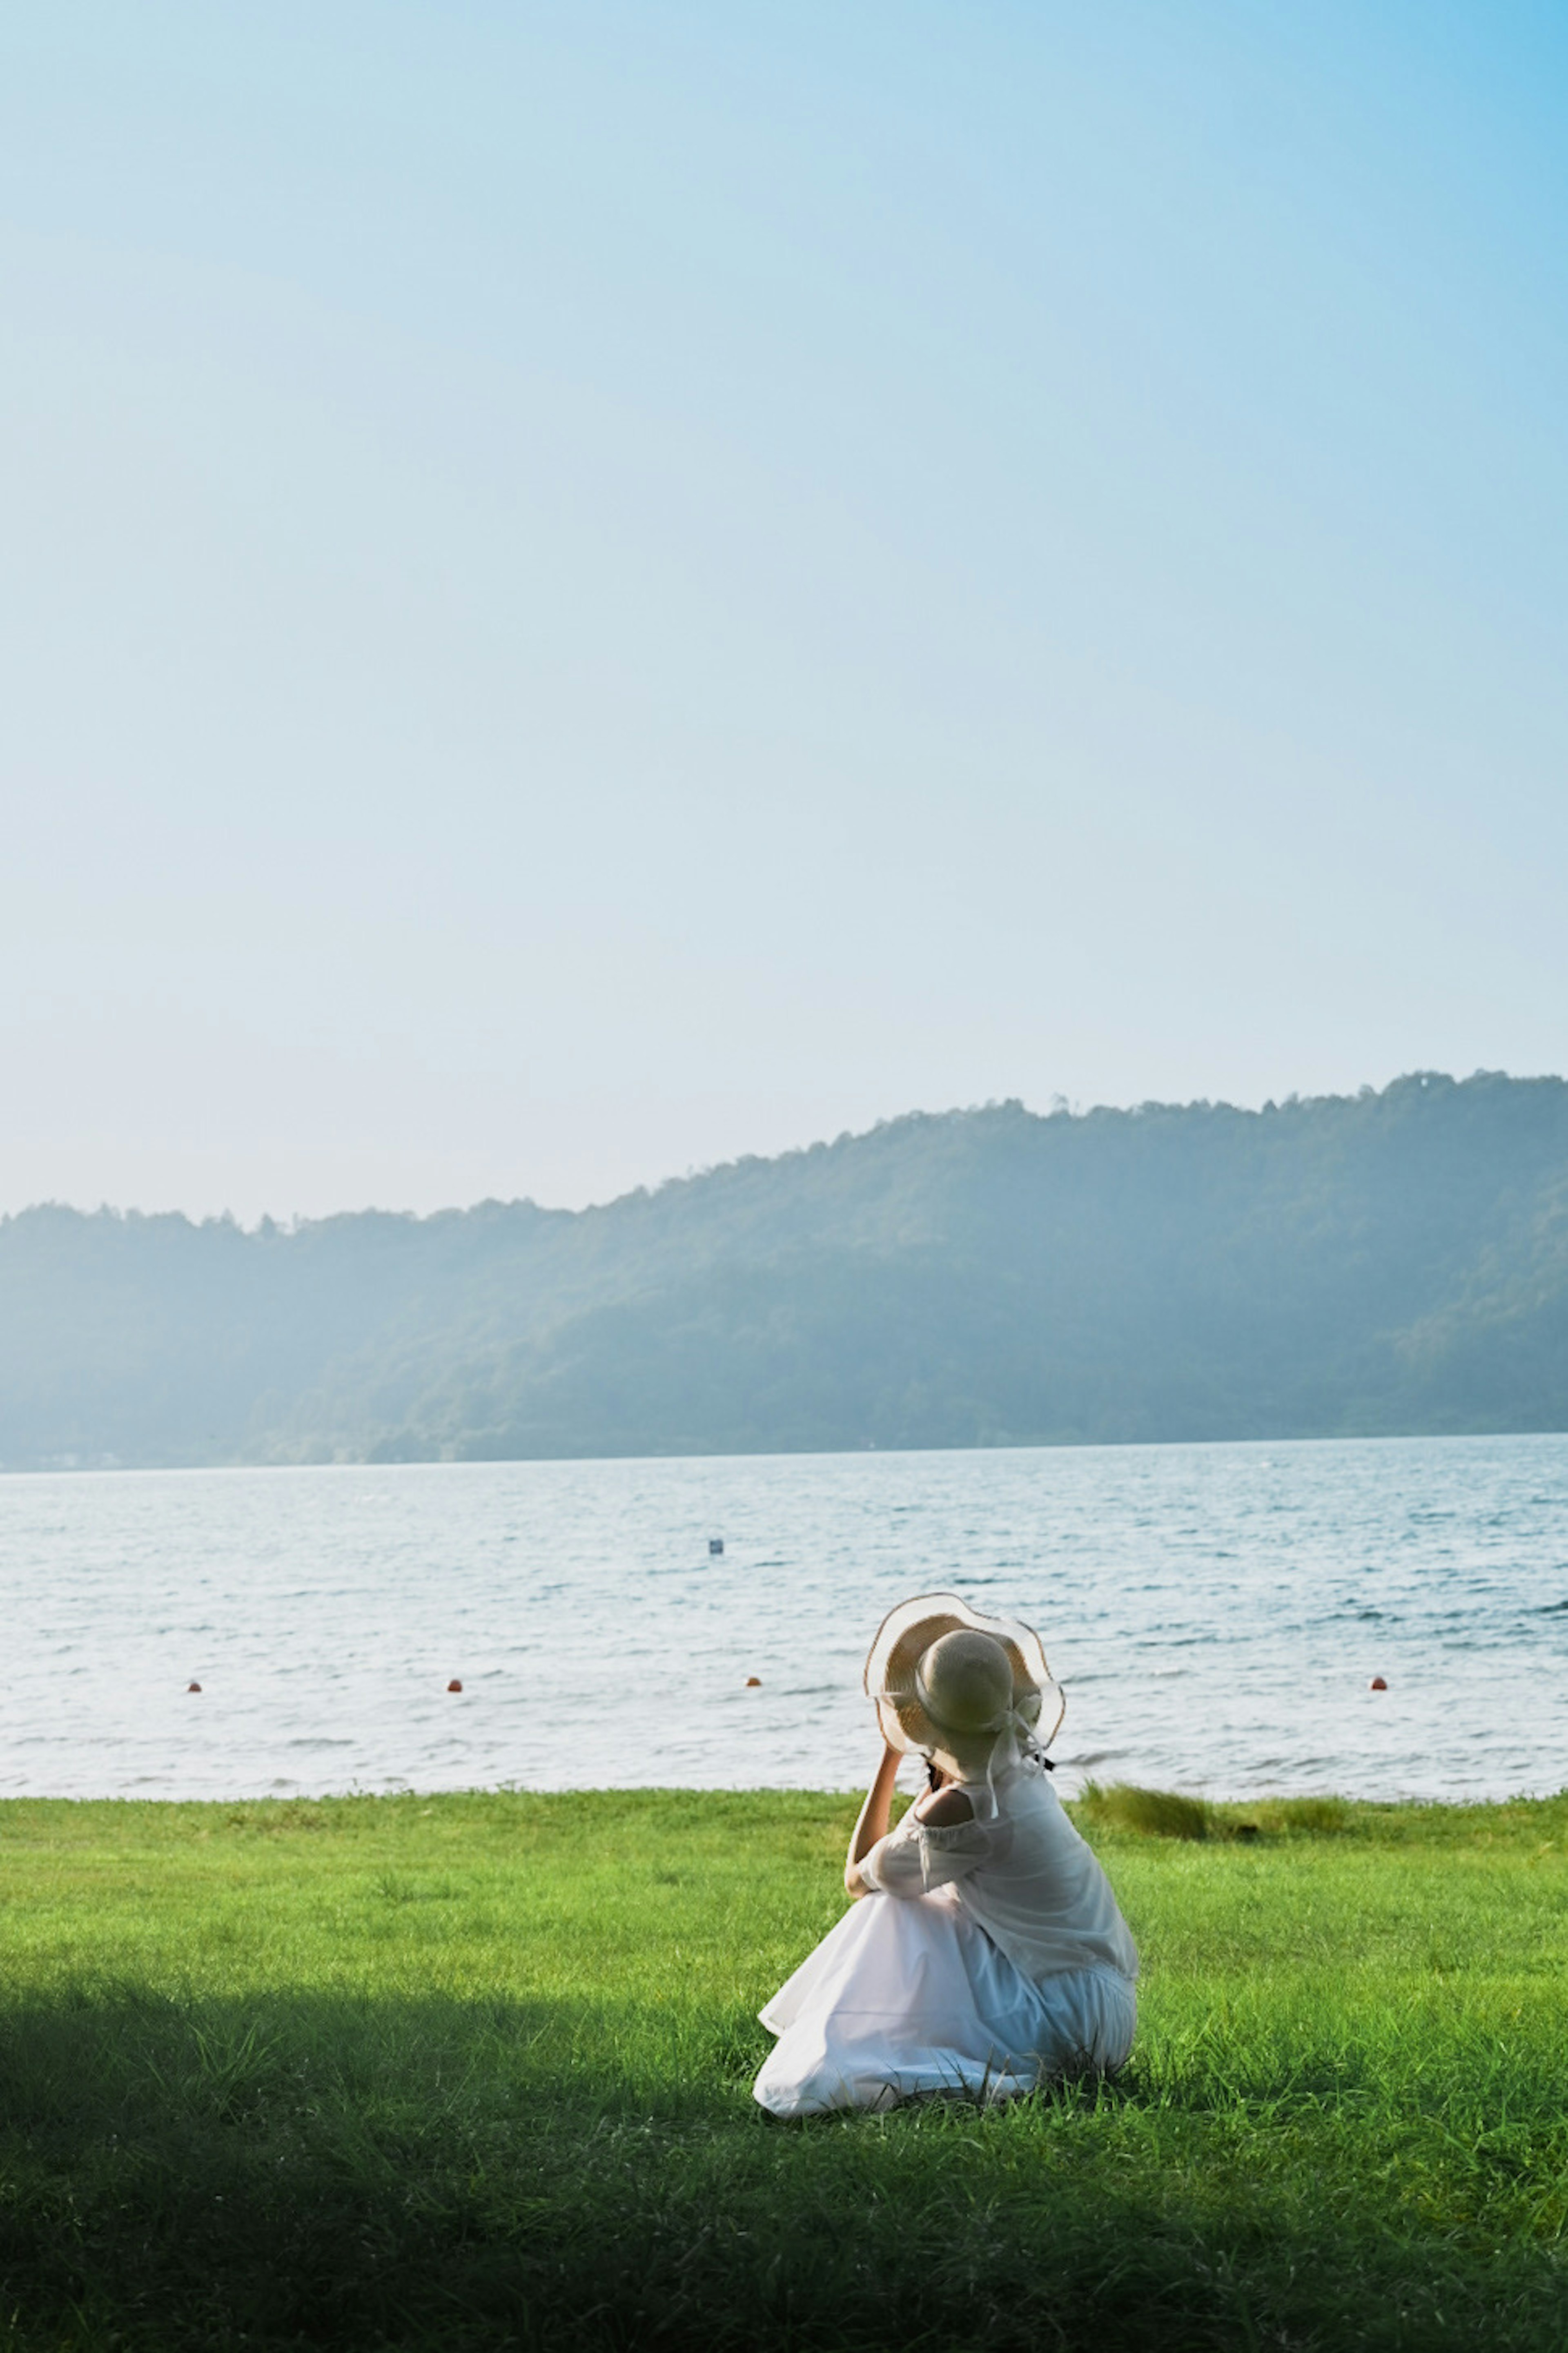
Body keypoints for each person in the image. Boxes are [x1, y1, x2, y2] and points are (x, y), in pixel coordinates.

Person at [753, 1592, 1138, 2115]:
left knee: (890, 1902)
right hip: (1108, 2014)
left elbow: (856, 1876)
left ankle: (845, 2042)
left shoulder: (967, 1805)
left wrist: (890, 1753)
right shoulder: (1020, 1773)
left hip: (1062, 2025)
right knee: (927, 1900)